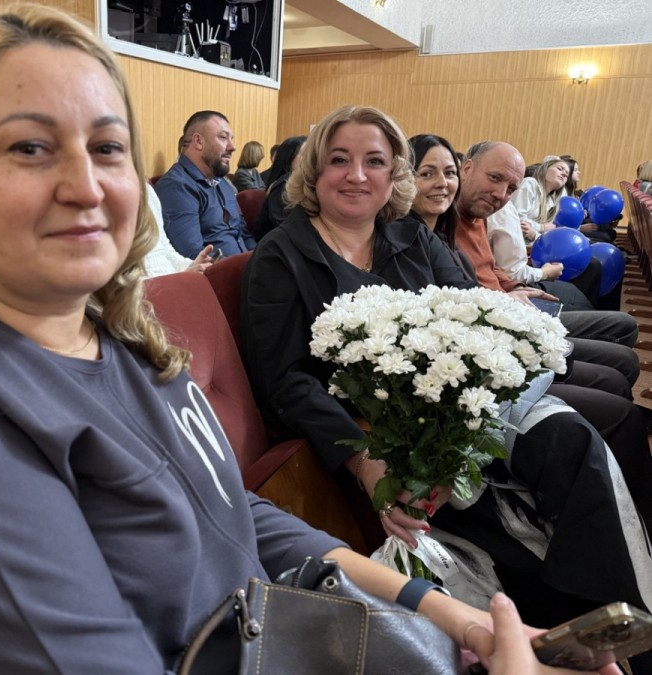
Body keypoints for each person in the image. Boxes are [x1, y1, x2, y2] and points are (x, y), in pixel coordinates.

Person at [0, 7, 544, 673]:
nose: (86, 185)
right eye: (29, 148)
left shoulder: (117, 337)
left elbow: (231, 516)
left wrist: (449, 616)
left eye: (107, 148)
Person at [240, 106, 652, 665]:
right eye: (339, 160)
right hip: (374, 430)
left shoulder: (412, 236)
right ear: (314, 170)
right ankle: (574, 634)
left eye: (374, 161)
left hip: (466, 407)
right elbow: (284, 381)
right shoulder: (281, 255)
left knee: (571, 437)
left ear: (393, 175)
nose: (357, 175)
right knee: (532, 487)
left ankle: (616, 634)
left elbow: (475, 311)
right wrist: (363, 459)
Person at [409, 133, 652, 531]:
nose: (442, 184)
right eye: (427, 173)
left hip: (504, 331)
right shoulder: (419, 235)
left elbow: (482, 281)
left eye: (447, 174)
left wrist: (513, 291)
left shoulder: (449, 225)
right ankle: (621, 520)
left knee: (616, 363)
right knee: (617, 389)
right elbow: (462, 307)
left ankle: (614, 500)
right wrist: (513, 301)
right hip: (487, 361)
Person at [453, 141, 639, 386]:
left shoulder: (478, 214)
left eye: (511, 188)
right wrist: (525, 283)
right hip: (500, 318)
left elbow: (490, 266)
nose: (500, 194)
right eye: (494, 178)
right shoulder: (441, 223)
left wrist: (515, 287)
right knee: (617, 362)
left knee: (621, 321)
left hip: (512, 298)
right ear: (466, 170)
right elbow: (464, 292)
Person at [486, 155, 614, 311]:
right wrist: (540, 229)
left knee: (592, 264)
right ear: (545, 168)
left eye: (566, 173)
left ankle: (594, 312)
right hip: (527, 253)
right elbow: (519, 221)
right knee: (591, 267)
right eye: (559, 169)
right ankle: (587, 313)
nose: (564, 174)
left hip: (537, 246)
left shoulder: (554, 199)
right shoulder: (530, 184)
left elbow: (550, 230)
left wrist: (537, 232)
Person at [154, 110, 255, 259]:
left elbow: (244, 234)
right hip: (221, 272)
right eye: (223, 137)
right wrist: (244, 268)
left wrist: (260, 259)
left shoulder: (222, 183)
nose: (232, 147)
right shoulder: (176, 186)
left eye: (231, 139)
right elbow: (194, 256)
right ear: (198, 142)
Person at [143, 182, 214, 276]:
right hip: (151, 283)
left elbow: (167, 250)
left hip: (172, 277)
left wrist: (192, 265)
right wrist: (180, 278)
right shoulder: (124, 192)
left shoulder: (148, 190)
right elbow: (127, 278)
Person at [253, 134, 306, 240]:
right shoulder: (284, 185)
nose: (312, 159)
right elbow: (285, 228)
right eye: (306, 154)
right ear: (289, 158)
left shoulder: (307, 182)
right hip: (274, 244)